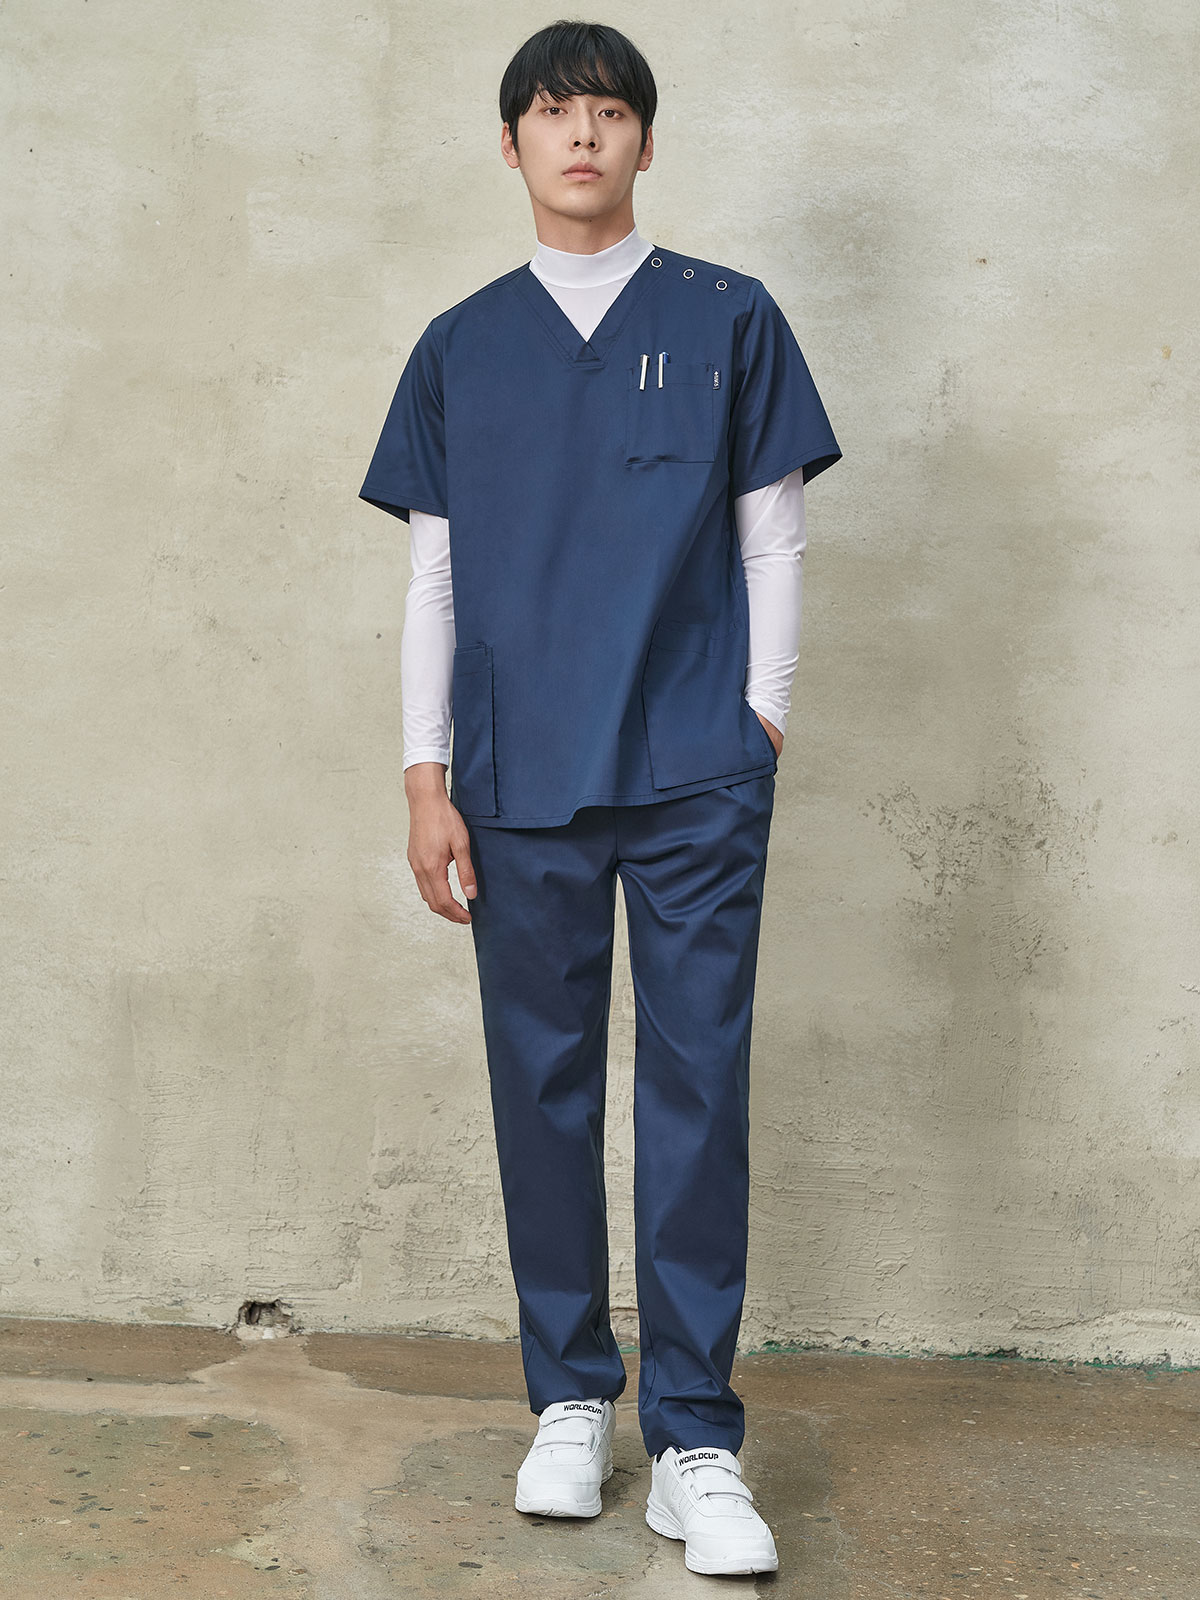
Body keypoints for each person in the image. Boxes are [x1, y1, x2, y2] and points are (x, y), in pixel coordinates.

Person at [359, 19, 841, 1578]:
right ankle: (571, 1399)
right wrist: (426, 776)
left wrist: (761, 722)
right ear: (511, 145)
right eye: (555, 113)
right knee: (542, 1088)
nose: (583, 134)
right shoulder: (462, 347)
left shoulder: (727, 318)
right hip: (519, 778)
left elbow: (772, 536)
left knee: (699, 1091)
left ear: (645, 140)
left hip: (697, 771)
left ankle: (697, 1439)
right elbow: (435, 577)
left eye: (611, 111)